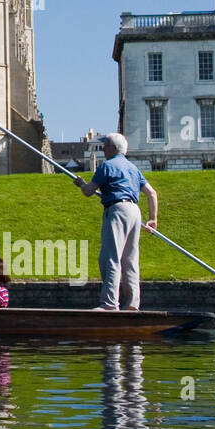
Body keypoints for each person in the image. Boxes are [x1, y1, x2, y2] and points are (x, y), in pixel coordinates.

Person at [73, 132, 157, 311]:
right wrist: (153, 219)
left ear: (114, 148)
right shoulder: (133, 169)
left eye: (106, 145)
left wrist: (80, 183)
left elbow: (89, 191)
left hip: (117, 210)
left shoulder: (106, 166)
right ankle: (133, 304)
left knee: (110, 258)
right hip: (135, 211)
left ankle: (110, 304)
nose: (103, 148)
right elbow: (151, 193)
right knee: (130, 260)